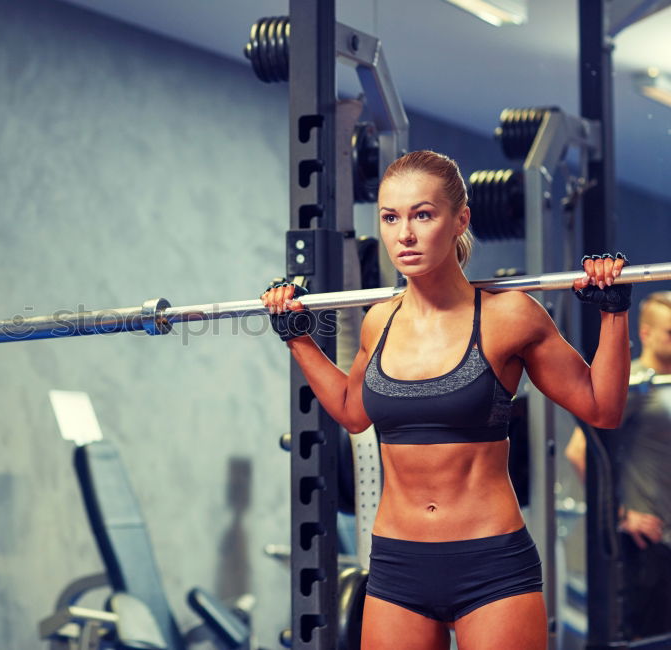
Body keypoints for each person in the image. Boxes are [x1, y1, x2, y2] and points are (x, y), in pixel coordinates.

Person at [261, 150, 630, 650]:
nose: (404, 235)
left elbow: (602, 408)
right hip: (397, 565)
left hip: (491, 563)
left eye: (423, 214)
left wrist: (613, 314)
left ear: (460, 220)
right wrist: (298, 340)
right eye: (390, 217)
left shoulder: (510, 315)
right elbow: (352, 413)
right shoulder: (378, 320)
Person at [565, 291, 671, 639]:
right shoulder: (634, 383)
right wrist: (622, 515)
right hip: (652, 541)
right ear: (646, 334)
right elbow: (579, 451)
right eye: (670, 332)